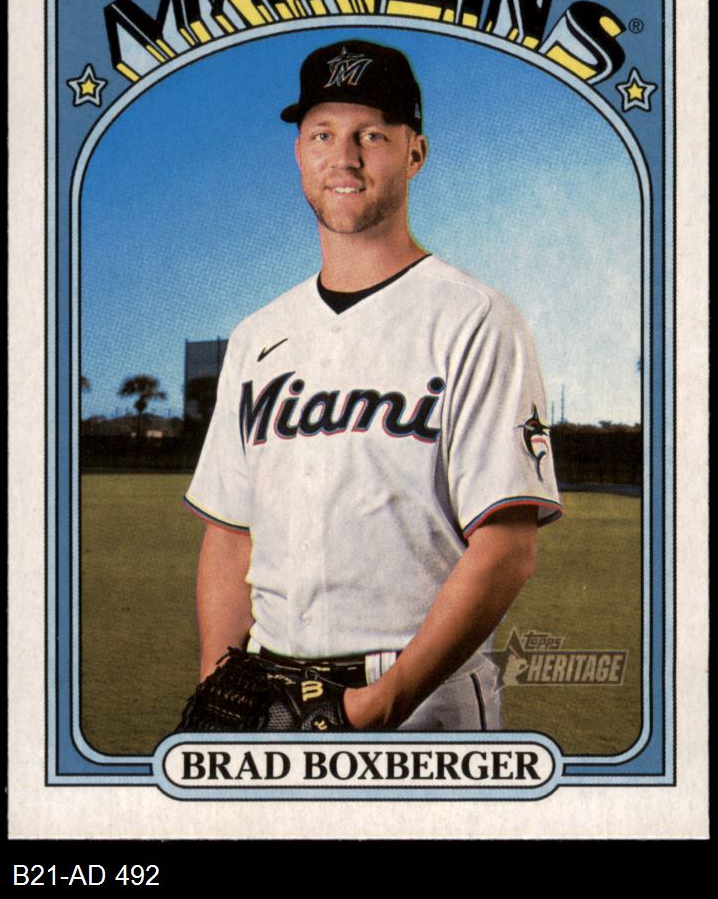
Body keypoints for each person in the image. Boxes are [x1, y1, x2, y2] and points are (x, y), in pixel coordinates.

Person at [184, 38, 562, 731]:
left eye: (372, 135)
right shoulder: (258, 335)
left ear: (415, 153)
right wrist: (217, 678)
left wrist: (374, 706)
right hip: (265, 693)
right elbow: (230, 535)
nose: (344, 157)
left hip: (419, 696)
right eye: (323, 134)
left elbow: (507, 548)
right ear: (299, 153)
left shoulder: (475, 318)